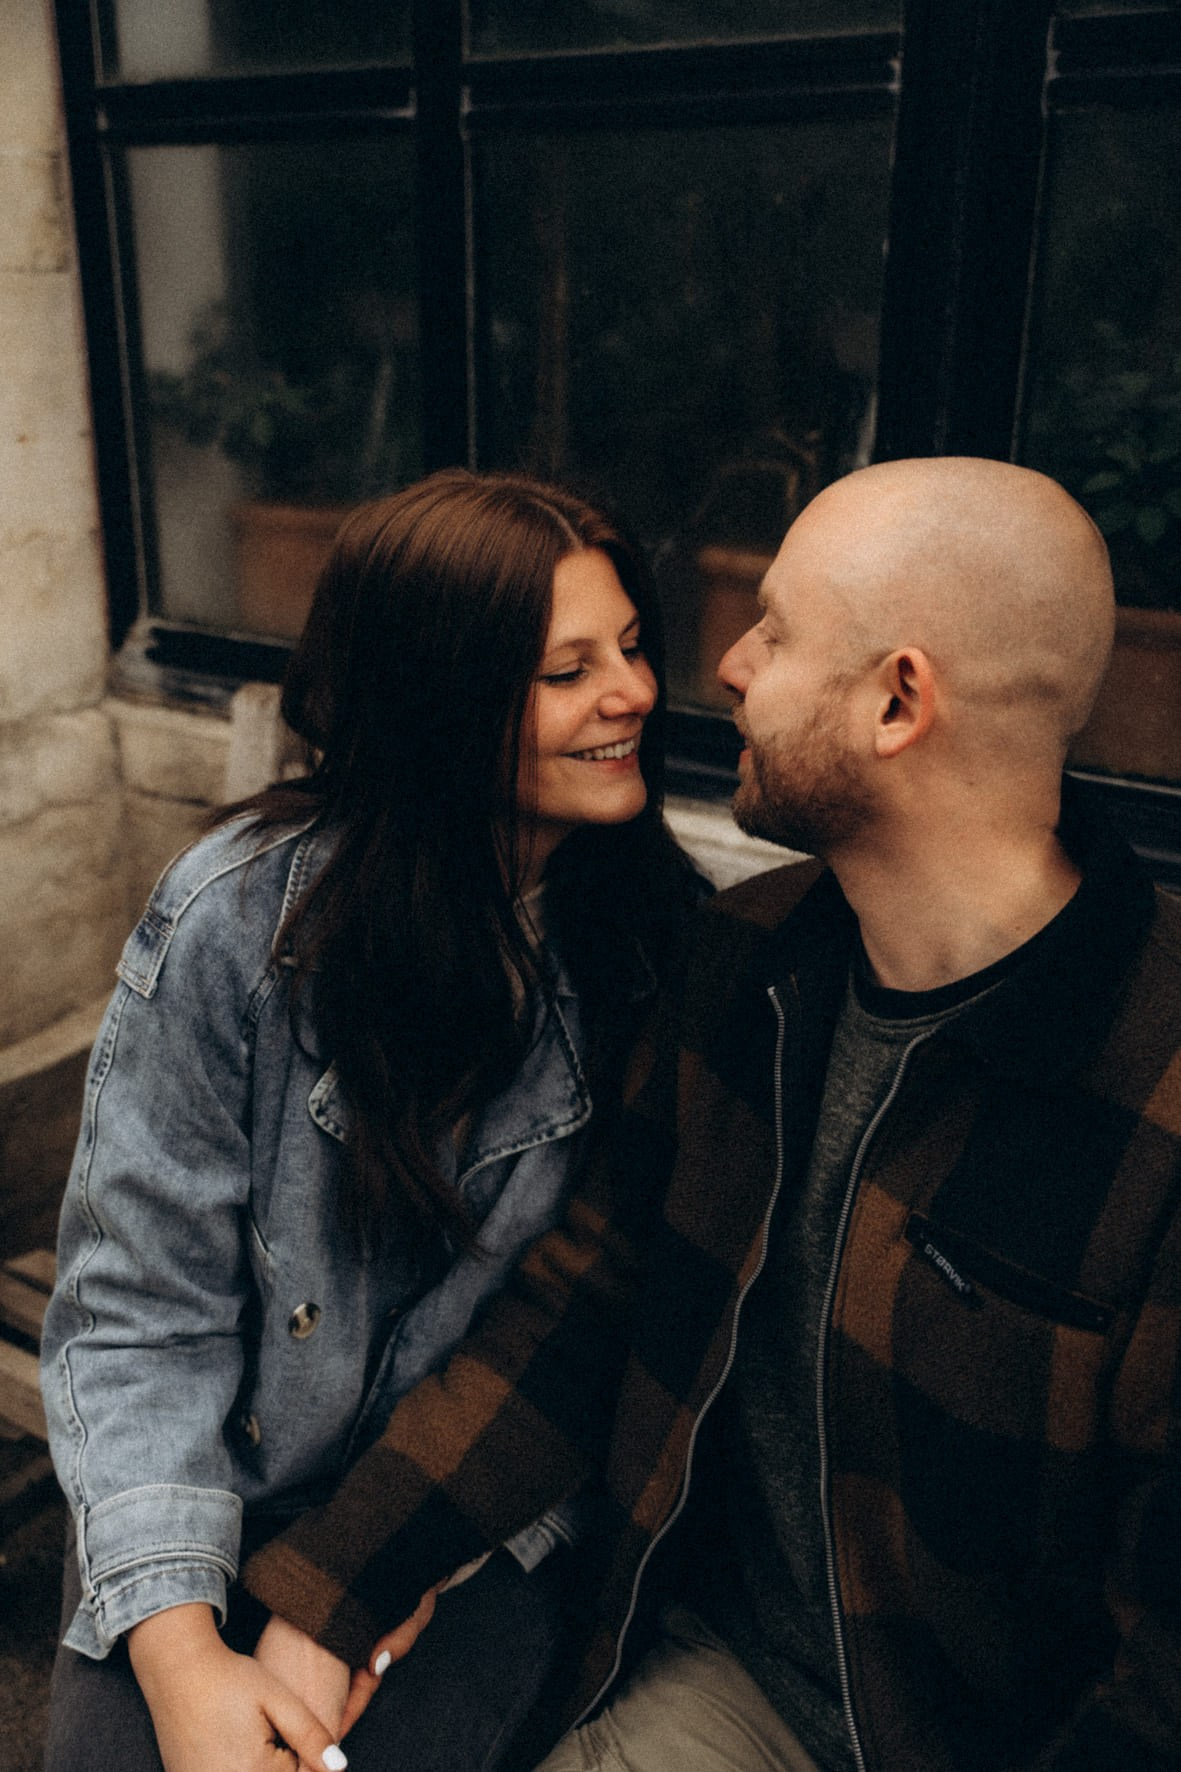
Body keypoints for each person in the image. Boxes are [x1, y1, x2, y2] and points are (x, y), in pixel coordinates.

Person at [233, 457, 1181, 1772]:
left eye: (776, 630)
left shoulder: (1154, 1095)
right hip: (739, 1692)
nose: (725, 663)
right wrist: (323, 1599)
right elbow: (576, 1317)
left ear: (897, 699)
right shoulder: (745, 967)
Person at [39, 467, 702, 1772]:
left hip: (475, 1514)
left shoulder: (648, 952)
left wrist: (372, 1583)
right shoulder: (239, 923)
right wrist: (181, 1663)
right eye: (567, 670)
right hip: (207, 1480)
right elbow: (134, 1311)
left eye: (629, 649)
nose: (631, 692)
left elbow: (569, 1346)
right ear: (440, 700)